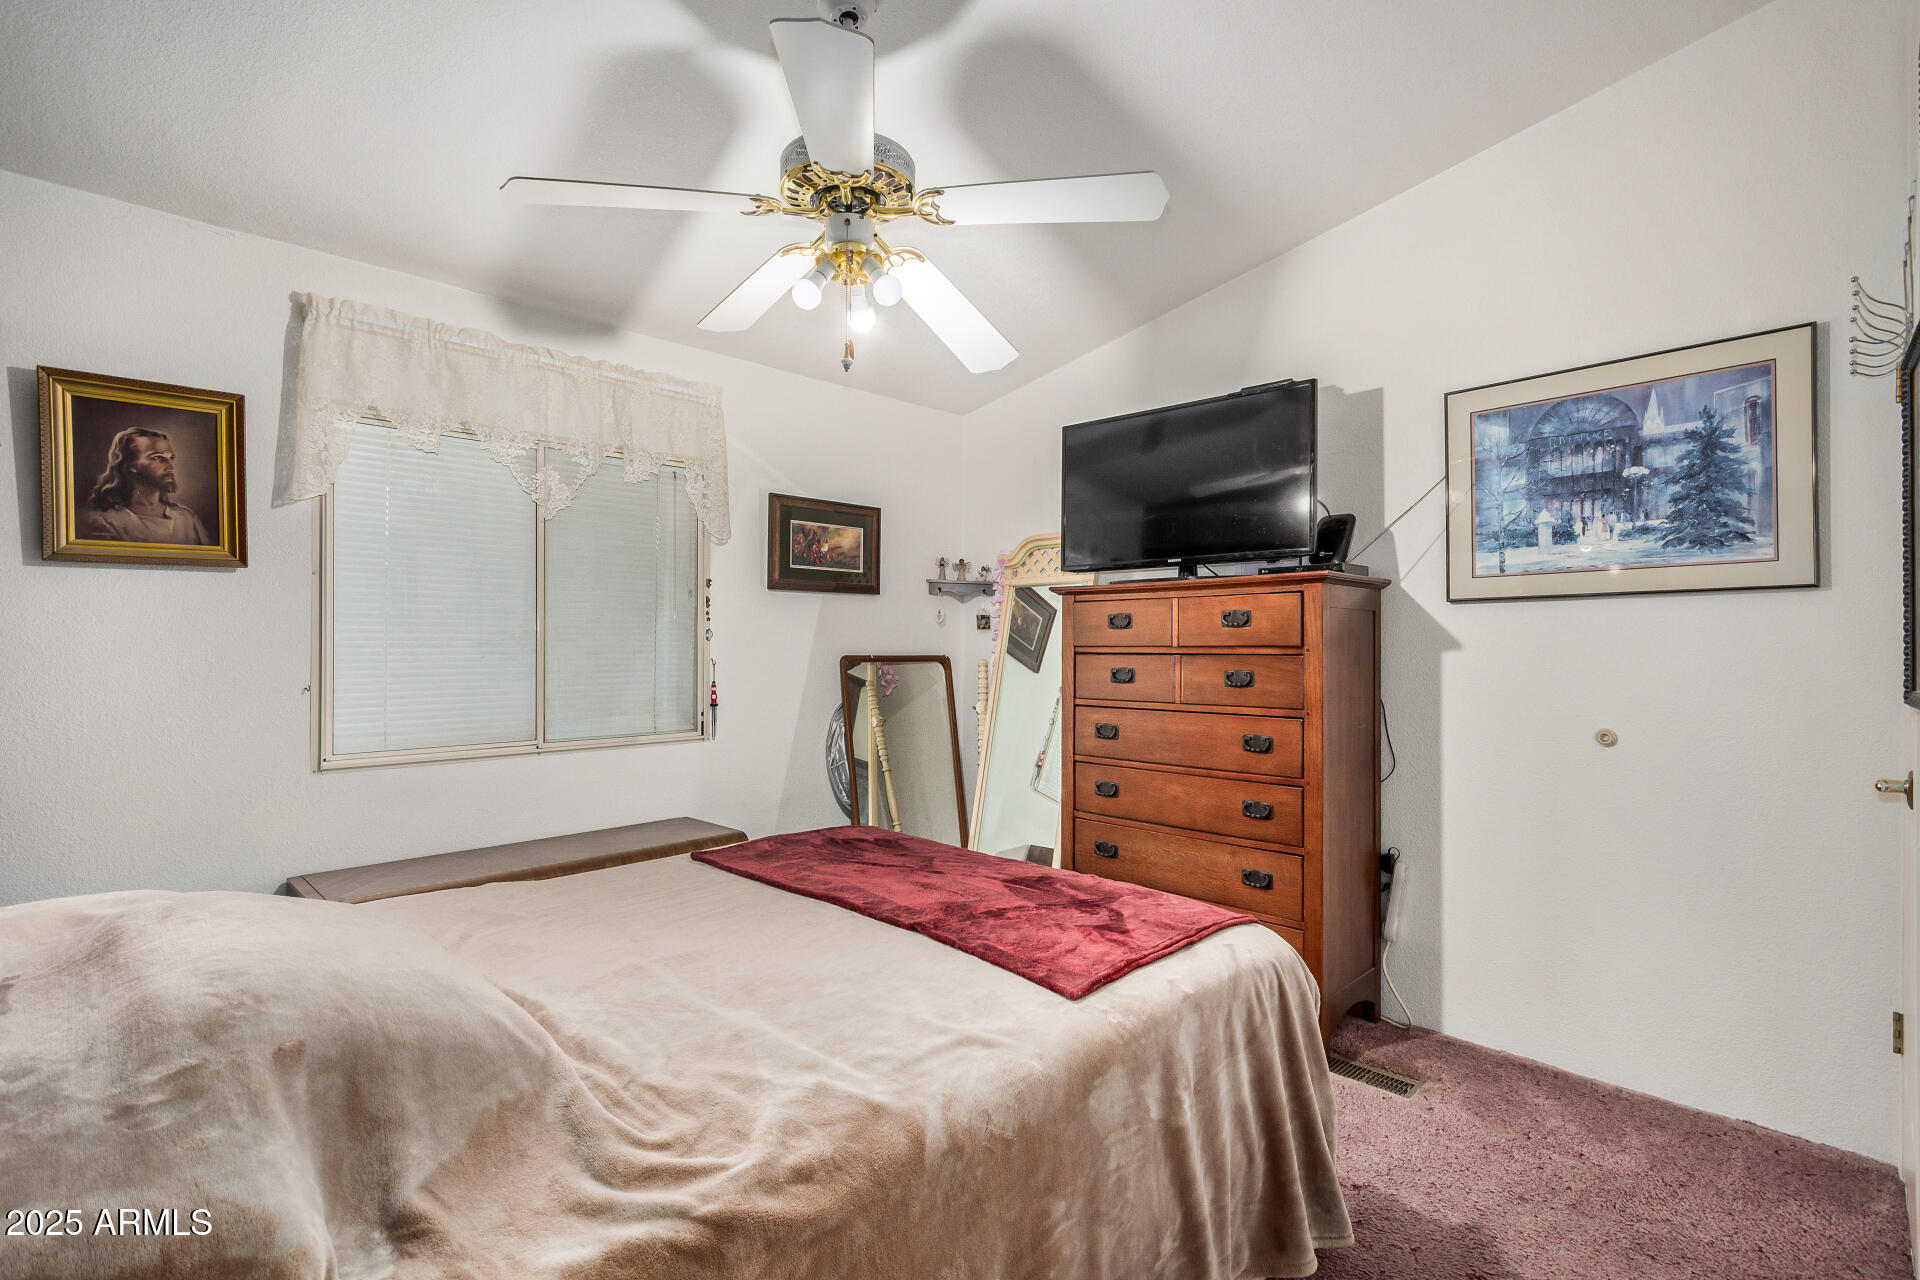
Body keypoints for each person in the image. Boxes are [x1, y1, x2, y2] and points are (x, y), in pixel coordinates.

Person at [78, 428, 212, 545]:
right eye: (157, 458)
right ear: (131, 465)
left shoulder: (186, 518)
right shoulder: (103, 521)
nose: (171, 467)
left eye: (171, 458)